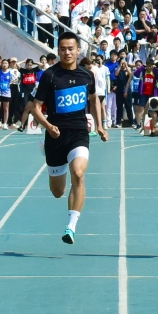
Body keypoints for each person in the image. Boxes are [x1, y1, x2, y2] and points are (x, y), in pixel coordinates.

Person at [30, 32, 108, 244]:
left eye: (71, 48)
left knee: (79, 173)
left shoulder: (87, 75)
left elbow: (94, 100)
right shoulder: (50, 75)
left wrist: (100, 125)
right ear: (58, 51)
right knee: (58, 192)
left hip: (79, 133)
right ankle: (49, 153)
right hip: (55, 136)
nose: (67, 52)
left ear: (78, 50)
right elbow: (35, 108)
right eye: (63, 49)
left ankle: (71, 226)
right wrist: (48, 126)